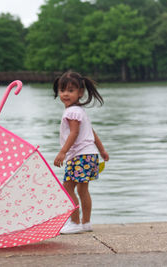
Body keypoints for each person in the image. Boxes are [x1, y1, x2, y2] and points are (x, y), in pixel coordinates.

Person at [53, 71, 109, 234]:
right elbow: (91, 132)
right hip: (89, 154)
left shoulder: (72, 112)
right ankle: (86, 223)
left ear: (80, 93)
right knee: (83, 190)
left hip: (79, 156)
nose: (65, 94)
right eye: (62, 90)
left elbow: (74, 133)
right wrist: (101, 150)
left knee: (67, 188)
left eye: (71, 90)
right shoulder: (79, 111)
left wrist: (63, 152)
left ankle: (75, 222)